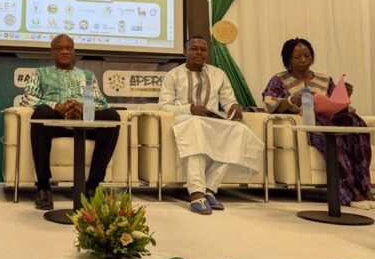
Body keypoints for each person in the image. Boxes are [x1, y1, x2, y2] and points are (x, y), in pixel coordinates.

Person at [262, 37, 374, 209]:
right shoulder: (279, 80)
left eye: (307, 55)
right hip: (310, 125)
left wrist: (345, 96)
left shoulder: (325, 79)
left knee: (355, 122)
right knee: (334, 138)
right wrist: (291, 100)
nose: (303, 60)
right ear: (288, 60)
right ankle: (351, 193)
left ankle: (365, 188)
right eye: (297, 57)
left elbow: (337, 105)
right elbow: (269, 104)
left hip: (331, 119)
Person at [159, 36, 264, 215]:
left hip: (212, 119)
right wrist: (190, 109)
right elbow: (164, 106)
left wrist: (234, 107)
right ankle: (196, 193)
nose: (199, 52)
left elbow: (229, 100)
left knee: (239, 130)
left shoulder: (218, 74)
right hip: (185, 119)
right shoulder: (173, 75)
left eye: (203, 49)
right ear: (185, 52)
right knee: (195, 127)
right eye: (194, 49)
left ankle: (210, 189)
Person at [20, 34, 120, 210]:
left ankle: (92, 186)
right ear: (52, 53)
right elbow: (27, 98)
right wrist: (57, 106)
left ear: (74, 52)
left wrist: (83, 106)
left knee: (112, 116)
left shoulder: (87, 75)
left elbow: (101, 102)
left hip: (85, 121)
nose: (65, 52)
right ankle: (43, 186)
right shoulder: (40, 73)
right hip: (55, 121)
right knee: (41, 112)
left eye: (69, 48)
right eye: (59, 49)